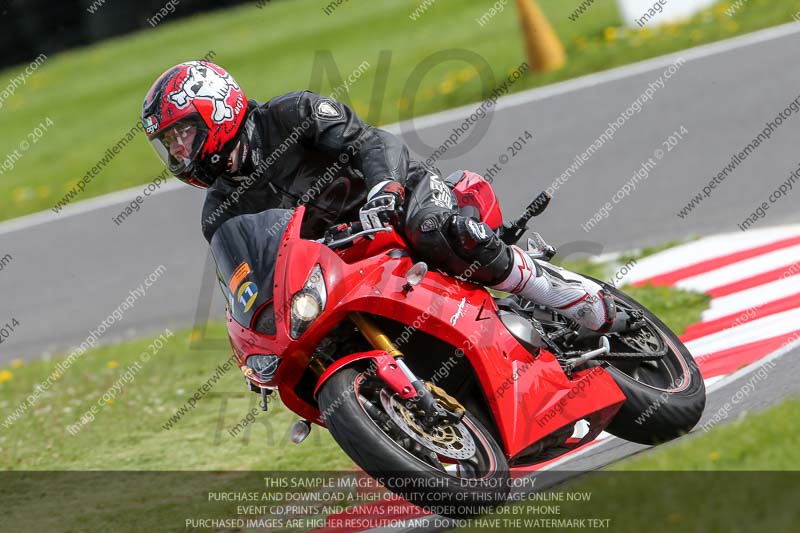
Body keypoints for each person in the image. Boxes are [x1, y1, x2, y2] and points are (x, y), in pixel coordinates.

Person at [142, 61, 624, 332]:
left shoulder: (293, 114)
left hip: (405, 196)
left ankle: (558, 291)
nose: (180, 151)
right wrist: (255, 332)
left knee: (437, 231)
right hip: (346, 260)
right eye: (171, 145)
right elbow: (246, 279)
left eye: (181, 135)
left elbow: (372, 143)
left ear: (216, 109)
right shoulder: (218, 211)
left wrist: (385, 188)